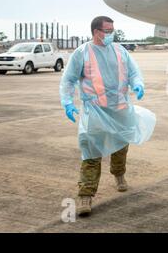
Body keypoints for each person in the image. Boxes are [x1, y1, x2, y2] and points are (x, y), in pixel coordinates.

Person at [60, 16, 147, 216]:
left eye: (112, 30)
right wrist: (67, 102)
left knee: (121, 146)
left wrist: (138, 84)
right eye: (107, 30)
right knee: (91, 151)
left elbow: (134, 72)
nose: (111, 34)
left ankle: (119, 174)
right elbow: (68, 80)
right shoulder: (82, 53)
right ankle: (85, 195)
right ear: (96, 31)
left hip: (120, 109)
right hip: (95, 111)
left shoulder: (120, 51)